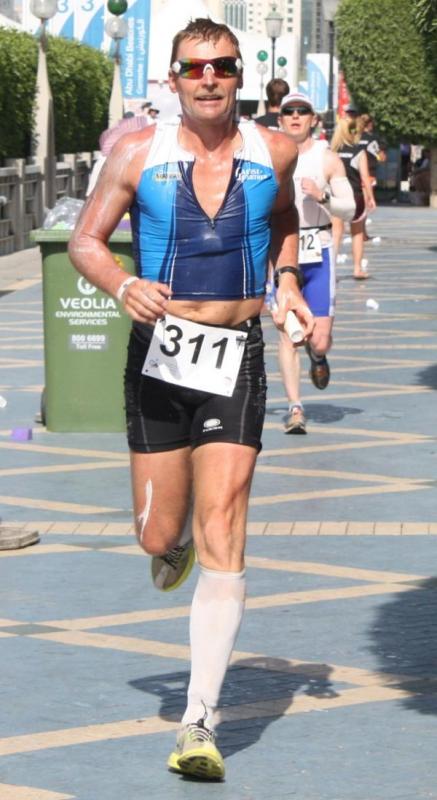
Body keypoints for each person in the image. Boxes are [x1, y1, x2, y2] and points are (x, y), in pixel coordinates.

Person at [68, 17, 314, 781]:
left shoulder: (274, 151)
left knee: (224, 522)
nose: (209, 78)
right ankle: (167, 545)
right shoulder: (138, 154)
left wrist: (285, 283)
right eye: (195, 68)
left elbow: (283, 218)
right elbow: (84, 241)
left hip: (236, 353)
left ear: (239, 75)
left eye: (223, 66)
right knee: (158, 536)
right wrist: (123, 285)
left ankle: (198, 721)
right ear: (172, 79)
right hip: (160, 354)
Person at [277, 92, 355, 433]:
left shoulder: (327, 159)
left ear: (313, 119)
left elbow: (350, 209)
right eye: (289, 111)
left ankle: (319, 355)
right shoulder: (269, 156)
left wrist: (322, 196)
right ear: (280, 119)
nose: (295, 116)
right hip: (283, 251)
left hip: (318, 251)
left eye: (302, 111)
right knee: (288, 334)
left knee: (318, 339)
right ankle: (295, 408)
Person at [330, 117, 376, 280]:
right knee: (357, 233)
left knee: (336, 233)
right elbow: (364, 177)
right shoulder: (359, 152)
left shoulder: (332, 151)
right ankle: (357, 269)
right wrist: (371, 197)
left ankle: (331, 271)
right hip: (355, 196)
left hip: (336, 196)